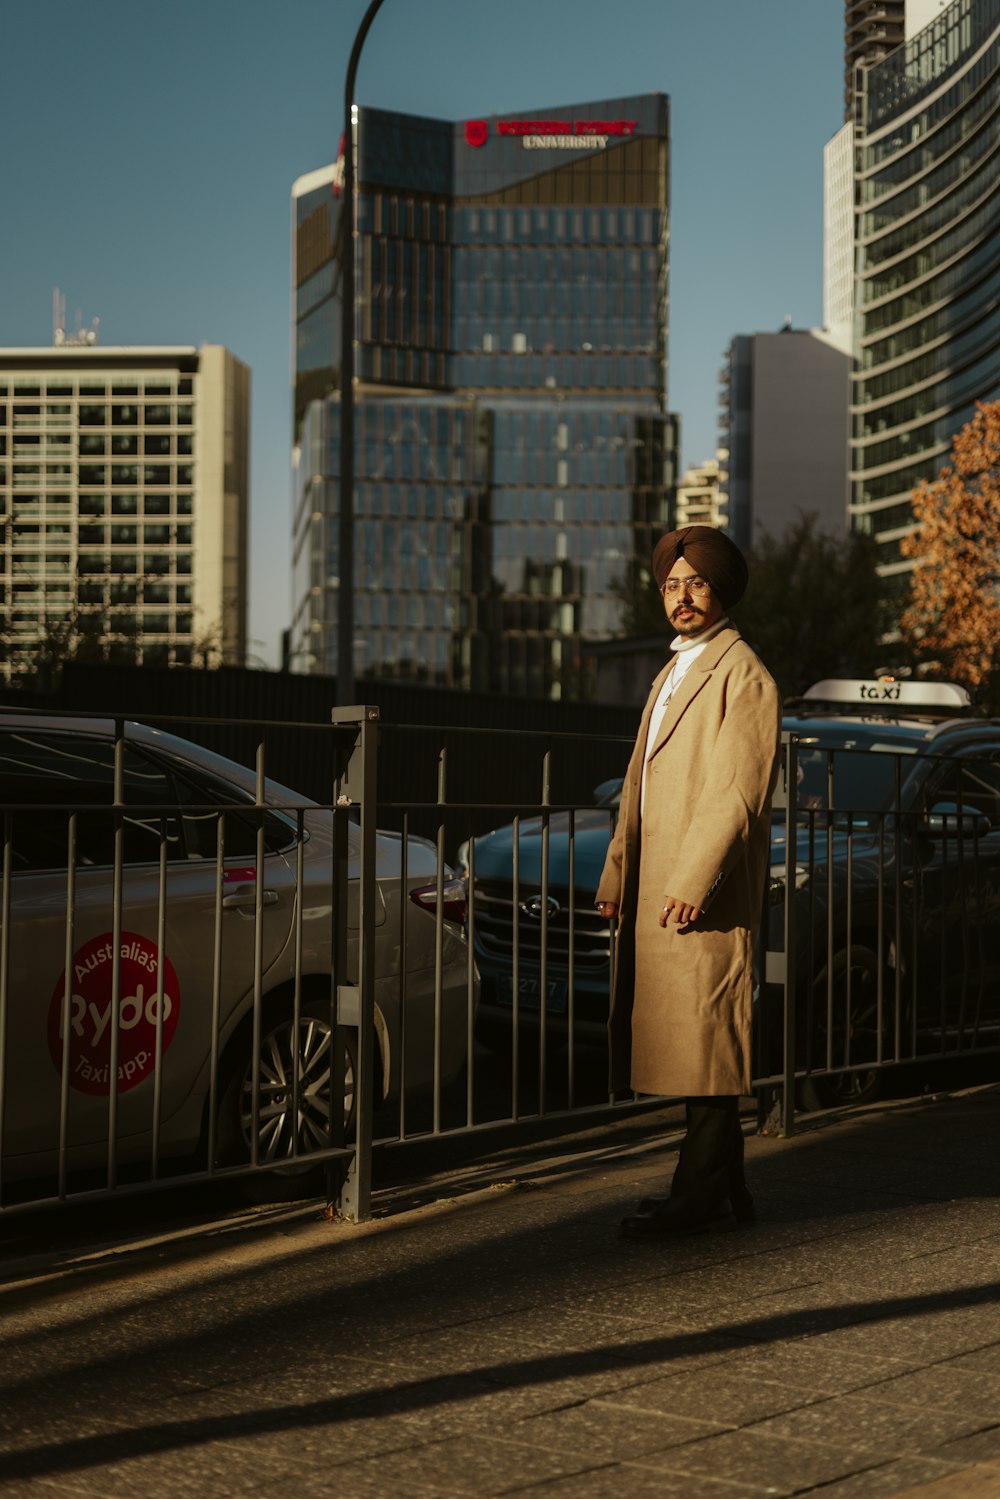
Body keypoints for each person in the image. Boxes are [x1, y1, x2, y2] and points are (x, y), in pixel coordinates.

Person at [595, 525, 781, 1238]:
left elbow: (735, 792)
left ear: (721, 590)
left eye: (696, 582)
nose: (682, 596)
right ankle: (725, 1191)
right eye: (672, 585)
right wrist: (618, 870)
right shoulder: (672, 671)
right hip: (658, 880)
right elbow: (637, 786)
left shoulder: (744, 673)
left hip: (698, 891)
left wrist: (694, 875)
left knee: (708, 1040)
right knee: (698, 1042)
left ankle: (695, 1198)